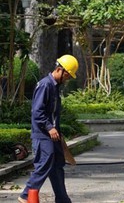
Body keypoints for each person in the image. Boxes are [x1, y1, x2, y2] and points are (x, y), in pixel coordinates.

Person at [19, 55, 79, 203]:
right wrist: (49, 127)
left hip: (53, 135)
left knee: (58, 165)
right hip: (43, 134)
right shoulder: (45, 85)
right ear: (60, 70)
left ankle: (63, 199)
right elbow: (37, 112)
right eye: (67, 75)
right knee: (45, 163)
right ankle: (26, 195)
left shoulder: (55, 87)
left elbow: (53, 114)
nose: (68, 79)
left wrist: (57, 131)